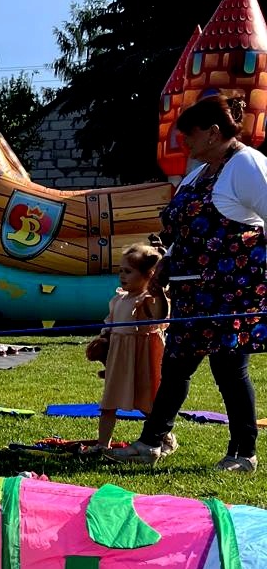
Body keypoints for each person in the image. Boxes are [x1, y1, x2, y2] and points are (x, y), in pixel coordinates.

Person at [109, 94, 267, 473]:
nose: (184, 143)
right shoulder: (199, 173)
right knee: (177, 366)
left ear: (214, 133)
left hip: (232, 293)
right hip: (193, 292)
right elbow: (185, 231)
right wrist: (164, 269)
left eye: (190, 135)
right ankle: (152, 442)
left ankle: (243, 453)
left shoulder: (247, 165)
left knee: (229, 370)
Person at [86, 244, 169, 451]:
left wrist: (159, 293)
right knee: (109, 402)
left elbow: (160, 315)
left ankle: (166, 438)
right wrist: (103, 341)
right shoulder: (118, 298)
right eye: (121, 271)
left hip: (140, 358)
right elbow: (110, 325)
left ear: (148, 274)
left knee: (146, 404)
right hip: (119, 358)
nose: (122, 276)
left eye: (129, 271)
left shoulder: (147, 299)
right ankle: (102, 444)